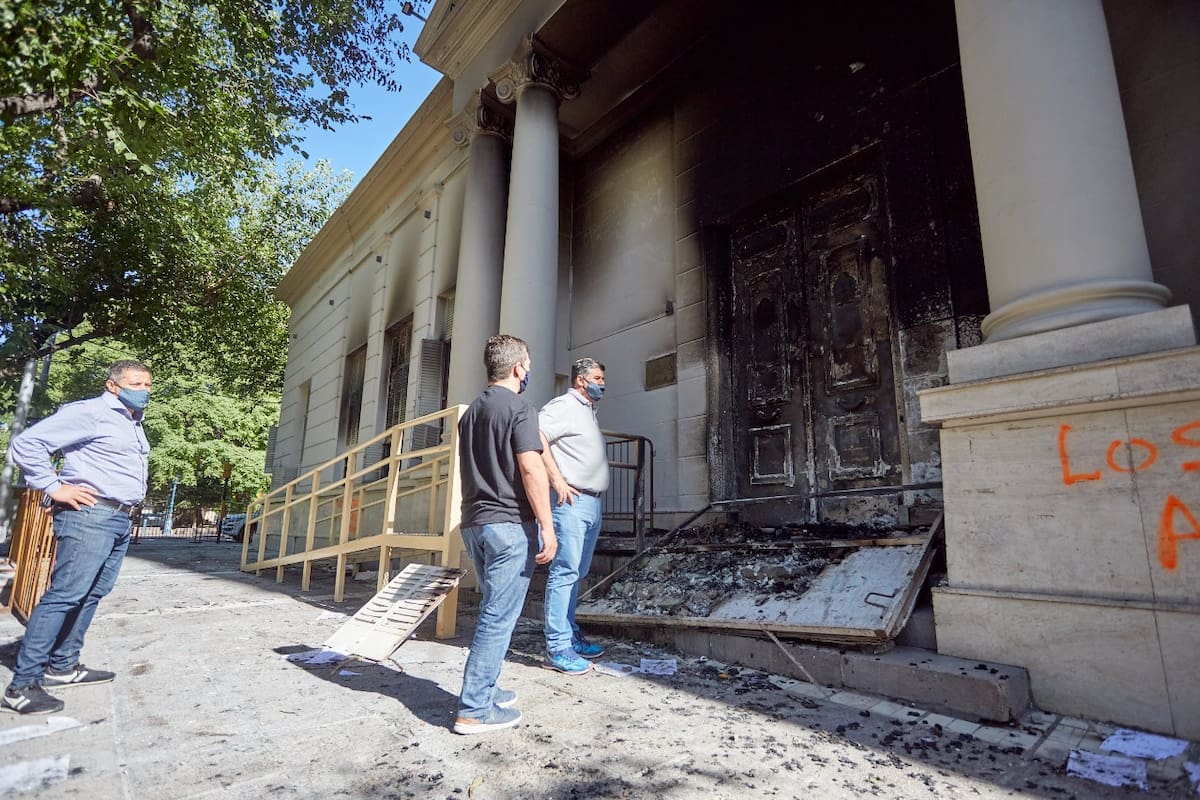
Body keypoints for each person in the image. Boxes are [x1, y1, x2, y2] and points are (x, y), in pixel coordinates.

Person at [3, 360, 152, 715]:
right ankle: (22, 685)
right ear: (113, 385)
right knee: (65, 595)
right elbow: (26, 444)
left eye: (148, 385)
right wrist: (54, 487)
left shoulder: (132, 422)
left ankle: (63, 665)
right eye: (136, 384)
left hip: (118, 518)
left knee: (92, 592)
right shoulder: (90, 412)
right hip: (90, 516)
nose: (144, 390)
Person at [453, 335, 557, 734]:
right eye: (528, 365)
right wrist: (547, 526)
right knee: (498, 617)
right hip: (509, 526)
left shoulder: (470, 414)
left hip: (474, 523)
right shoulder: (520, 408)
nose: (529, 371)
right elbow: (531, 468)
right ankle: (475, 708)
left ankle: (487, 688)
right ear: (517, 368)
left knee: (492, 611)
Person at [538, 357, 609, 675]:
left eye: (602, 379)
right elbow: (536, 435)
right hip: (571, 502)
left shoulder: (588, 411)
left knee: (577, 573)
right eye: (597, 378)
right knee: (564, 572)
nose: (602, 384)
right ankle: (557, 647)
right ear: (581, 380)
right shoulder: (564, 405)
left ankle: (570, 636)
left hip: (591, 503)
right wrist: (556, 479)